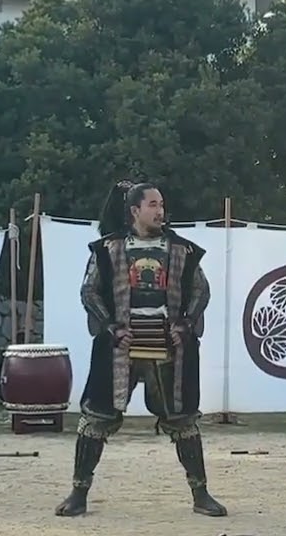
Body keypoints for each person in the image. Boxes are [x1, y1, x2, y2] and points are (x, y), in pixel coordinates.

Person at [55, 181, 225, 518]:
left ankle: (201, 493)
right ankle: (79, 492)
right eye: (152, 204)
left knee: (183, 419)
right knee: (97, 418)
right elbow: (90, 292)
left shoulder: (183, 250)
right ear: (135, 210)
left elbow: (200, 291)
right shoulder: (107, 249)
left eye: (161, 204)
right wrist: (111, 326)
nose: (160, 210)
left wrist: (185, 324)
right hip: (121, 344)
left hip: (169, 343)